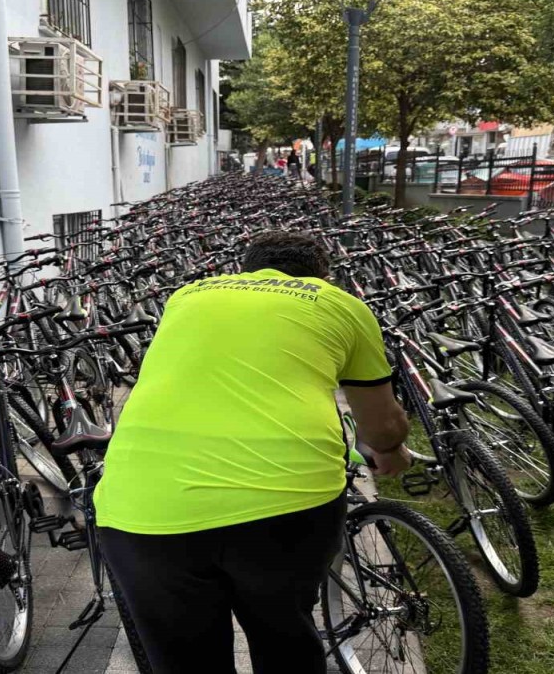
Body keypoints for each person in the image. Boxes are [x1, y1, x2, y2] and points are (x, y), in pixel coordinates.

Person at [94, 231, 410, 674]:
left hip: (141, 506)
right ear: (323, 276)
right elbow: (381, 425)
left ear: (245, 272)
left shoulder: (188, 295)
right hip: (285, 503)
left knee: (185, 661)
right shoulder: (338, 303)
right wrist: (391, 450)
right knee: (284, 640)